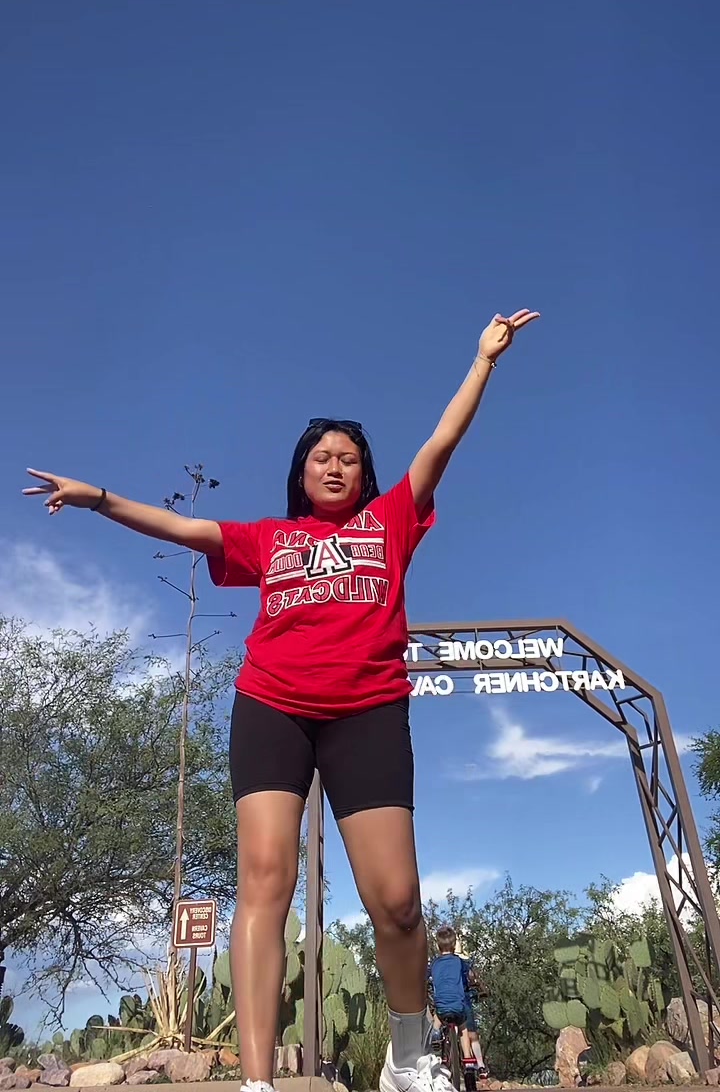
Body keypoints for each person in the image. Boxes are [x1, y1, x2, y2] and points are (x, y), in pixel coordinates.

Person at [23, 308, 539, 1092]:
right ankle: (258, 1082)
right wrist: (97, 497)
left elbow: (439, 445)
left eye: (351, 459)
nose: (337, 467)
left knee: (397, 902)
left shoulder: (391, 520)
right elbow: (180, 524)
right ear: (301, 472)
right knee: (263, 880)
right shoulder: (270, 539)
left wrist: (483, 361)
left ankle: (406, 1056)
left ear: (366, 476)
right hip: (272, 708)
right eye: (323, 458)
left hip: (366, 711)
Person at [428, 926, 488, 1079]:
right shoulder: (461, 963)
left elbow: (427, 978)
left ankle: (436, 1034)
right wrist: (477, 988)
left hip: (442, 1008)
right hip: (459, 1007)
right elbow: (469, 978)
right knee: (463, 1030)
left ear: (437, 945)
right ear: (455, 945)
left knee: (436, 1018)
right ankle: (468, 1063)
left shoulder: (434, 964)